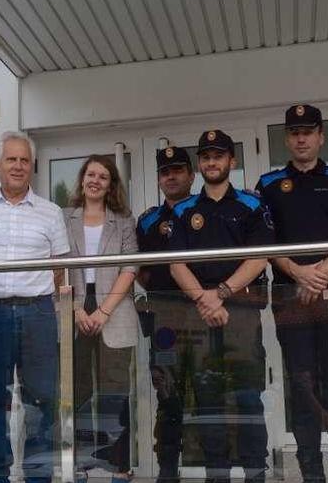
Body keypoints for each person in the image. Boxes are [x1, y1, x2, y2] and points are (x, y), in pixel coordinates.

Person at [255, 104, 328, 483]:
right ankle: (311, 476)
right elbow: (263, 244)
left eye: (308, 131)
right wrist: (296, 273)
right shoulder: (268, 185)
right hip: (291, 296)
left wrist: (316, 273)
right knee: (301, 386)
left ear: (321, 135)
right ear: (286, 139)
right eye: (294, 132)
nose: (301, 138)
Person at [169, 130, 274, 483]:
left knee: (248, 399)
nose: (212, 161)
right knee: (208, 402)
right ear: (200, 165)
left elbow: (259, 257)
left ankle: (256, 474)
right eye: (206, 156)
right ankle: (218, 476)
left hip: (242, 315)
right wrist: (205, 298)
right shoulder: (184, 210)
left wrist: (223, 292)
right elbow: (176, 263)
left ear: (232, 161)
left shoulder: (251, 204)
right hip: (200, 317)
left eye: (219, 155)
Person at [0, 131, 70, 483]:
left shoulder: (51, 212)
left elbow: (60, 269)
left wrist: (45, 304)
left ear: (33, 166)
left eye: (24, 160)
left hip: (38, 314)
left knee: (41, 401)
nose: (18, 166)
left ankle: (37, 476)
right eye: (11, 159)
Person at [63, 155, 139, 483]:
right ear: (82, 179)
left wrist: (104, 310)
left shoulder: (123, 219)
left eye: (103, 177)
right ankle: (80, 461)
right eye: (91, 174)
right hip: (74, 307)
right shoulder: (64, 217)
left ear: (111, 185)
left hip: (115, 307)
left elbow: (131, 266)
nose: (96, 180)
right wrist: (78, 310)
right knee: (77, 391)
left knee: (115, 392)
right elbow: (57, 265)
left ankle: (118, 465)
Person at [135, 146, 195, 483]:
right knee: (168, 394)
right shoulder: (148, 220)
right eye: (165, 172)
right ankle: (168, 472)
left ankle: (214, 469)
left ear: (191, 174)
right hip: (165, 320)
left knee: (207, 393)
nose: (171, 176)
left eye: (177, 170)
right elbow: (141, 271)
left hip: (204, 315)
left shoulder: (205, 210)